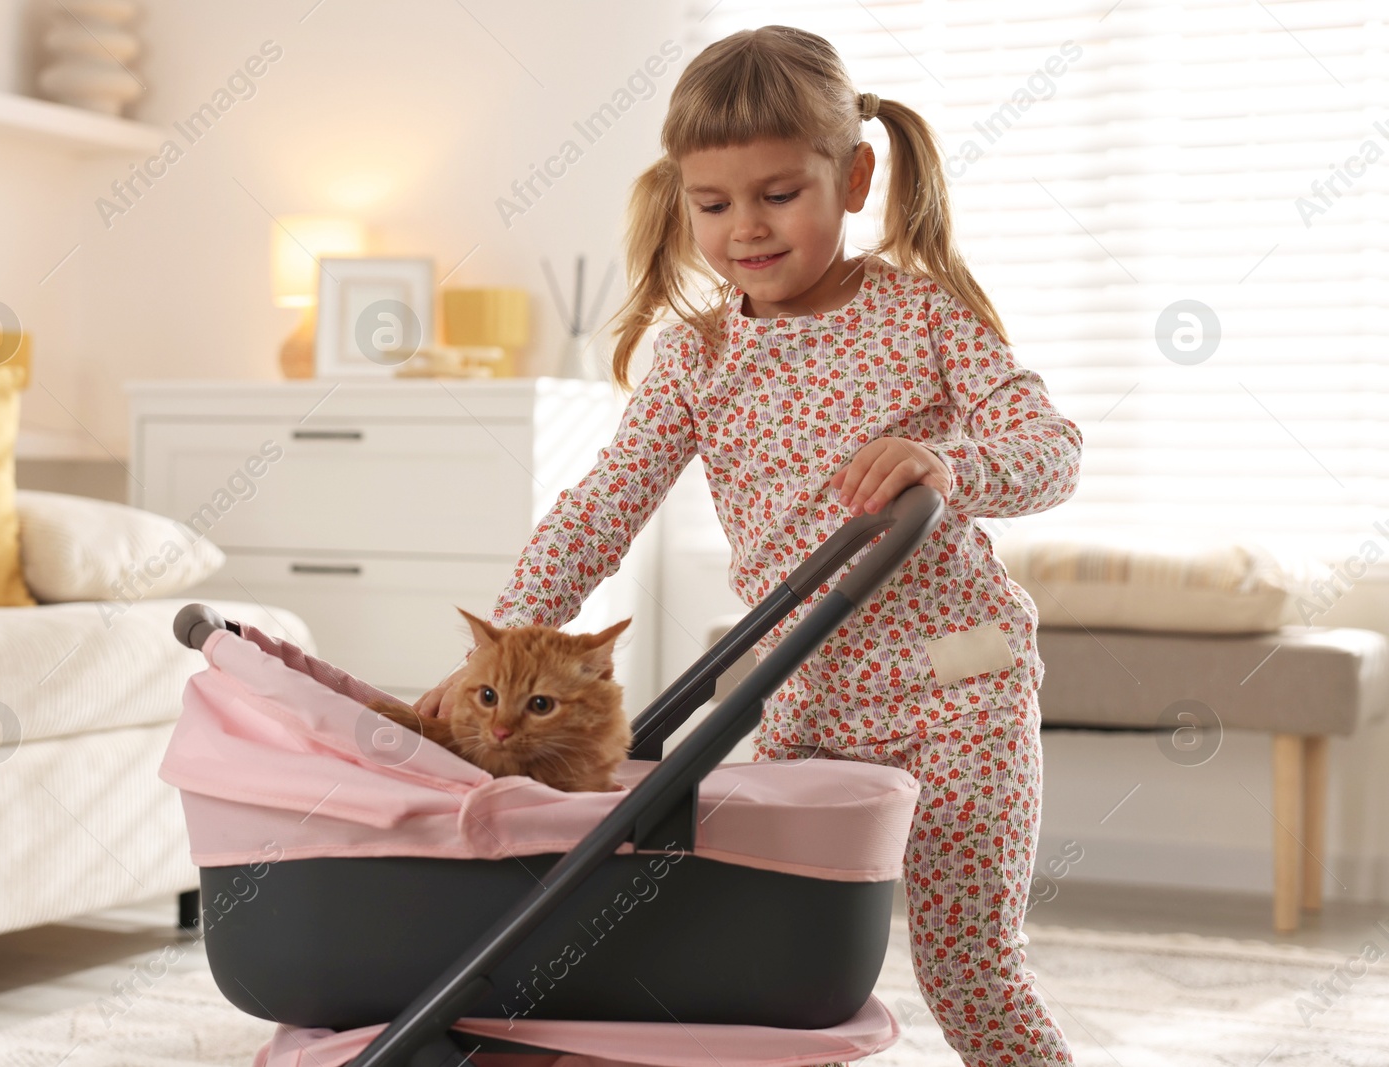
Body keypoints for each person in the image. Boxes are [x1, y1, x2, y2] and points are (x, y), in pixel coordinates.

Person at [414, 24, 1081, 1066]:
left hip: (961, 686)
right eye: (713, 203)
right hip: (801, 700)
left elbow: (1050, 451)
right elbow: (601, 508)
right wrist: (498, 651)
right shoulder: (697, 357)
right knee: (764, 971)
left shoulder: (922, 315)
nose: (744, 230)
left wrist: (946, 460)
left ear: (853, 175)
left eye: (779, 194)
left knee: (969, 966)